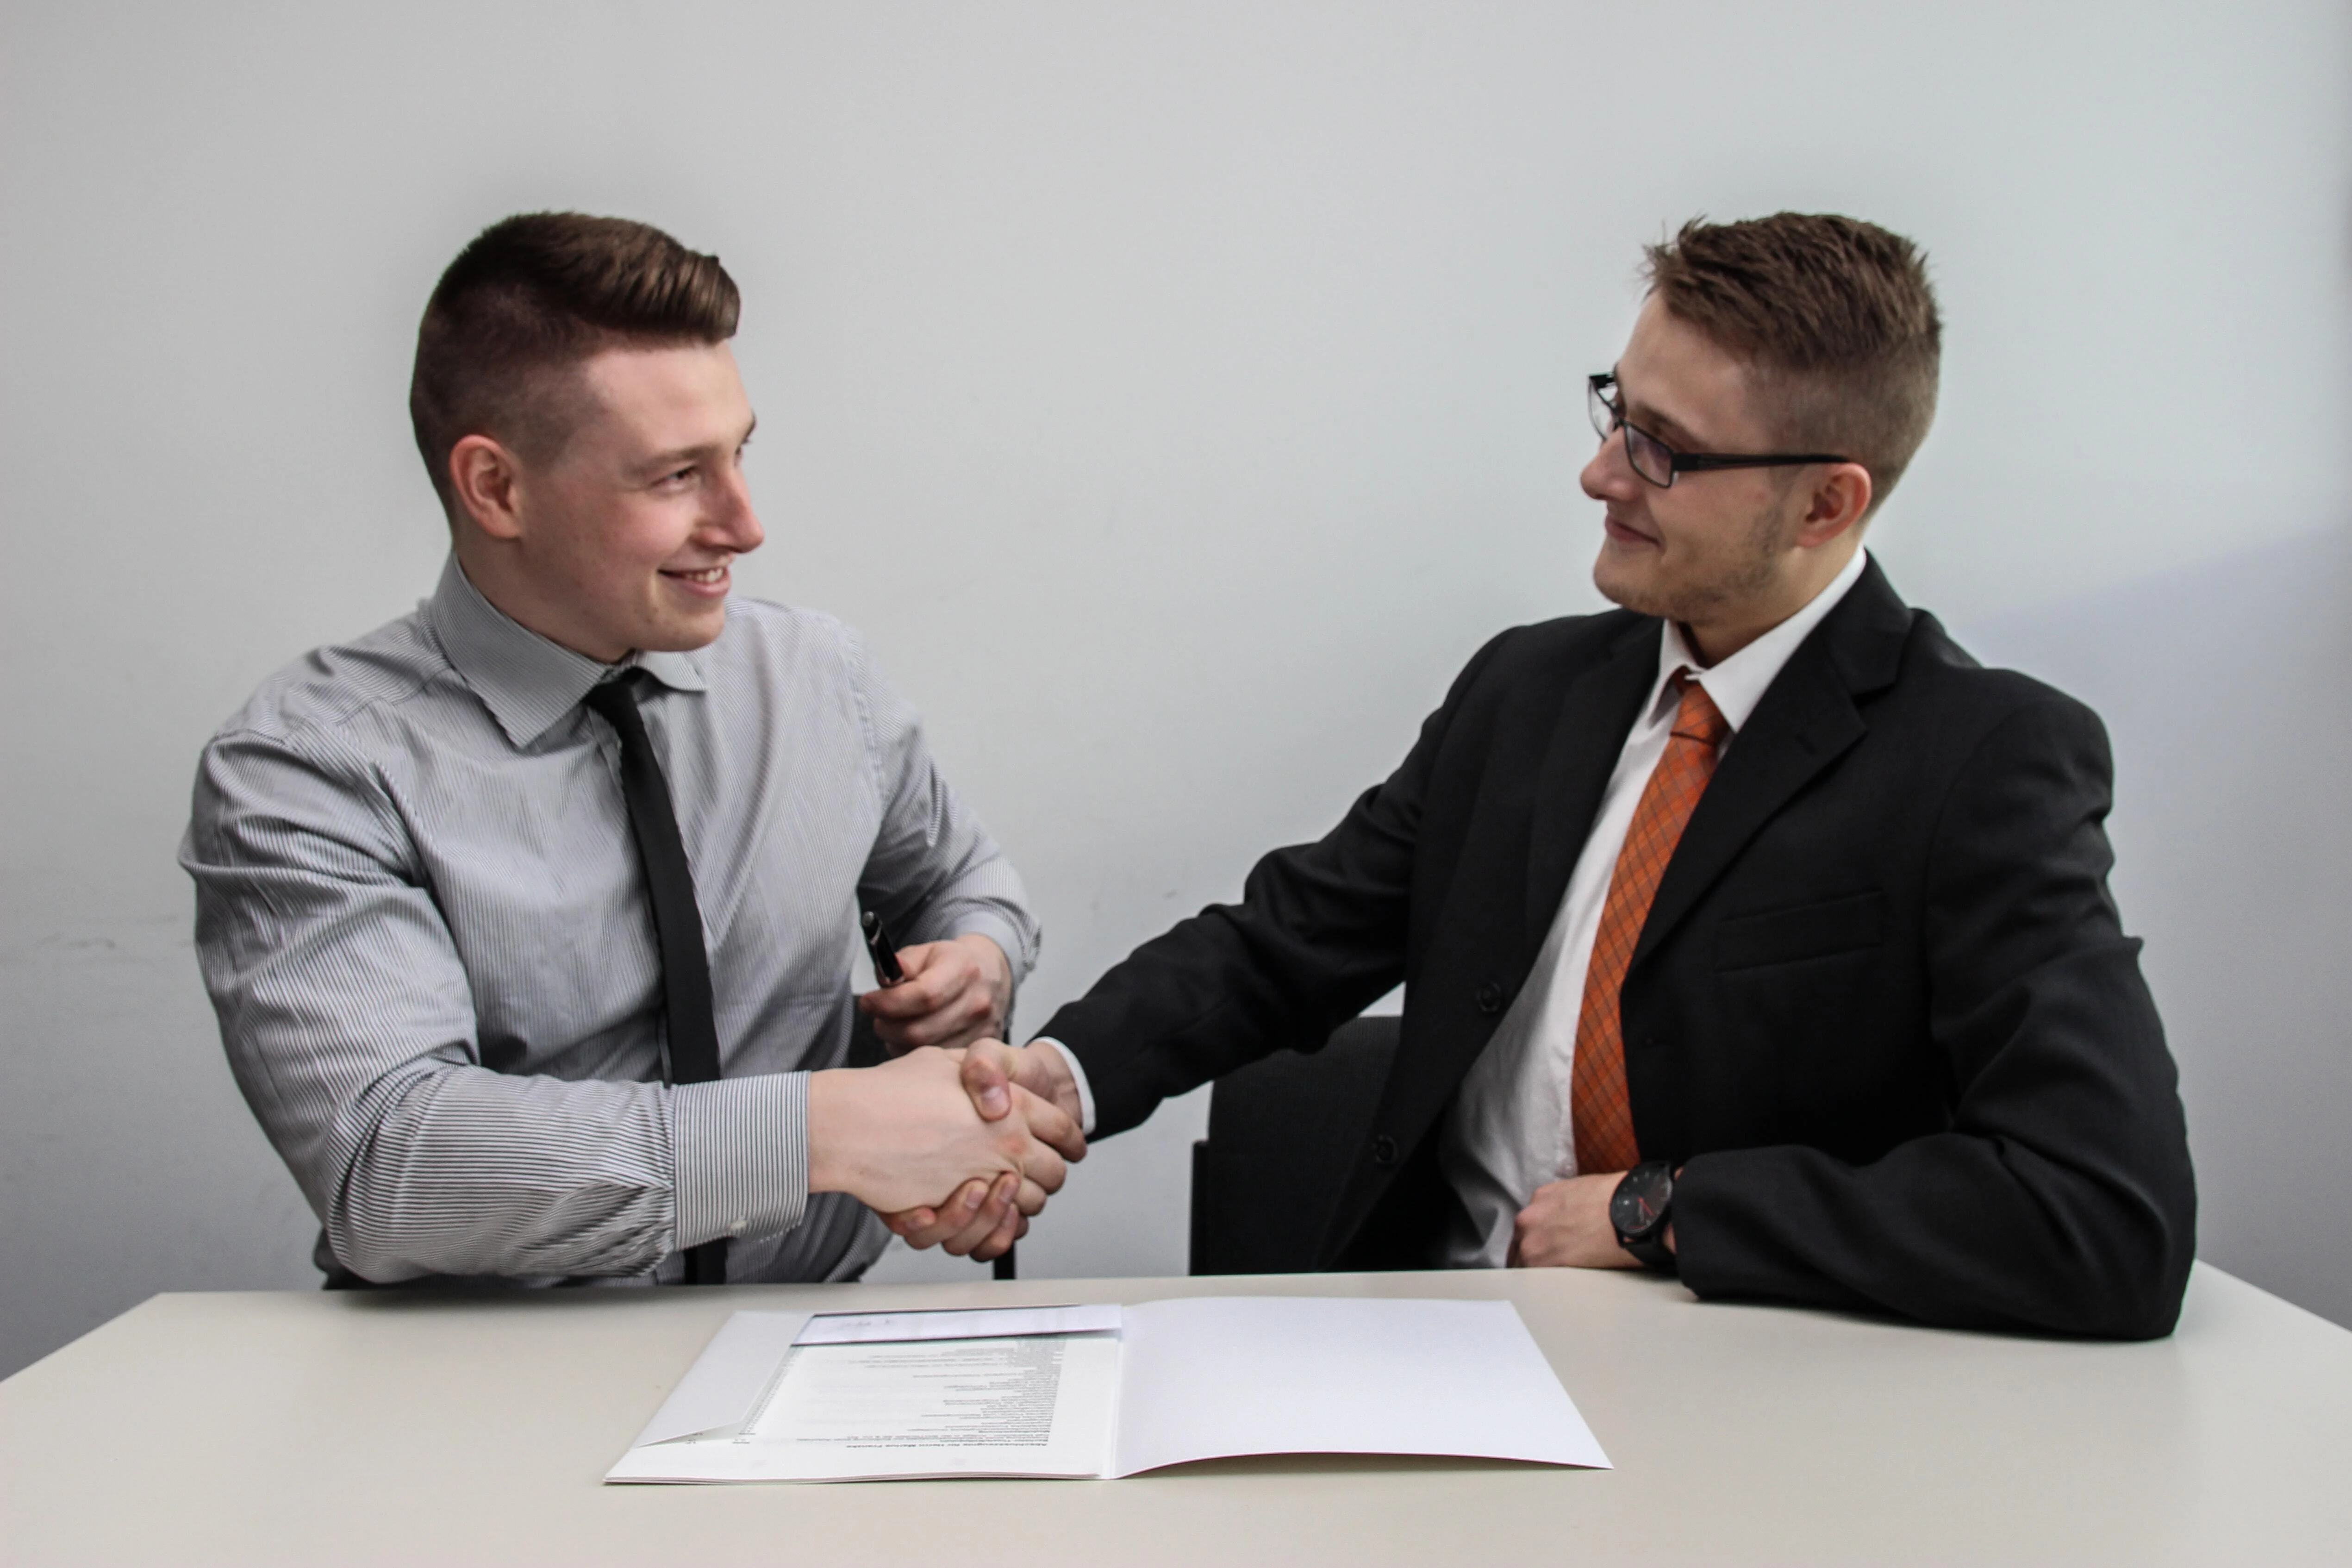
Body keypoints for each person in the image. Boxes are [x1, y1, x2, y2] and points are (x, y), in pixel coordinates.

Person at [930, 213, 2198, 1339]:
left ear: (1825, 504)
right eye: (1617, 412)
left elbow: (2105, 1216)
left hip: (1742, 1401)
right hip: (1427, 1348)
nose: (1602, 474)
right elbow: (1289, 942)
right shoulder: (1529, 695)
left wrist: (1667, 1212)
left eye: (1665, 451)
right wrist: (1065, 1077)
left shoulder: (1981, 763)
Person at [183, 212, 1078, 1287]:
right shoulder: (308, 771)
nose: (744, 525)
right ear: (496, 489)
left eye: (739, 454)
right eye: (674, 477)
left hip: (810, 1344)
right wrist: (820, 1131)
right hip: (477, 1388)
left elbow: (960, 881)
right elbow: (393, 1168)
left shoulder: (820, 679)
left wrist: (972, 962)